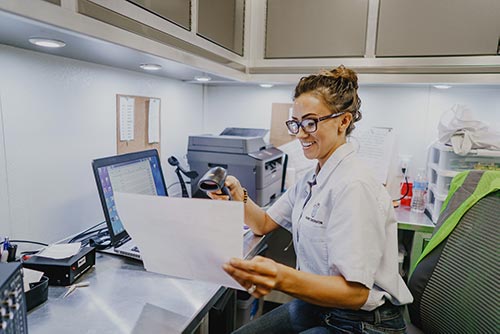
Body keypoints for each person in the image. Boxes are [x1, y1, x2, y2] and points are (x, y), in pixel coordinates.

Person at [209, 65, 413, 333]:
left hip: (362, 323)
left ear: (344, 121)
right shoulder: (313, 177)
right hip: (319, 307)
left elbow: (355, 294)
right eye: (296, 123)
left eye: (311, 122)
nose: (300, 134)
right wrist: (238, 195)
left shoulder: (354, 186)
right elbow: (264, 223)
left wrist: (282, 277)